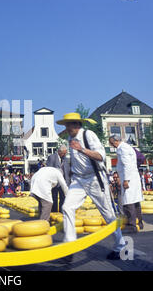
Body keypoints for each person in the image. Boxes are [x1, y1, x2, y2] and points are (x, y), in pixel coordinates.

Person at [57, 112, 126, 262]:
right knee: (67, 207)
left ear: (77, 124)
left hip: (95, 178)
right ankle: (70, 245)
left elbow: (101, 156)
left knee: (108, 214)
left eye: (68, 125)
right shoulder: (69, 138)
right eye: (66, 125)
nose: (66, 128)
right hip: (78, 180)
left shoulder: (89, 135)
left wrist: (81, 149)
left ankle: (120, 246)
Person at [109, 135, 144, 233]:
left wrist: (126, 180)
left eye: (111, 142)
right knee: (136, 201)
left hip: (129, 178)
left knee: (128, 202)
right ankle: (139, 223)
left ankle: (132, 225)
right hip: (133, 177)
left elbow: (127, 164)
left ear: (116, 141)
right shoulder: (127, 147)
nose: (111, 144)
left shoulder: (122, 149)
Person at [46, 145, 71, 213]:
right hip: (55, 182)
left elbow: (67, 170)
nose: (65, 154)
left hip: (63, 181)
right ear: (59, 151)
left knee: (63, 197)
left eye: (65, 153)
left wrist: (68, 182)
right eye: (64, 153)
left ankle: (61, 211)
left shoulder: (65, 158)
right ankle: (54, 212)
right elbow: (48, 170)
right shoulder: (52, 157)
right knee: (54, 197)